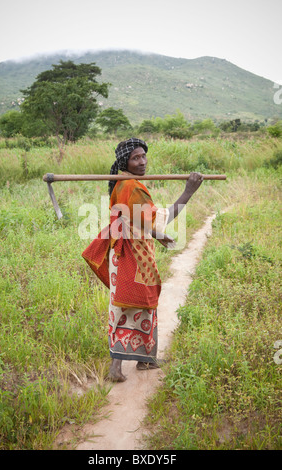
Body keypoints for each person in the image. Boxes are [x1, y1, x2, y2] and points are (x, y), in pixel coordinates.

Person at [82, 138, 203, 382]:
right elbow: (160, 218)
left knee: (138, 304)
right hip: (130, 257)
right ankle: (116, 368)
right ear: (124, 161)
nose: (142, 162)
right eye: (136, 158)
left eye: (144, 156)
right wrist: (189, 191)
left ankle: (145, 360)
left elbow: (137, 221)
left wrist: (157, 235)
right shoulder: (130, 186)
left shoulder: (125, 184)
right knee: (128, 303)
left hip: (132, 254)